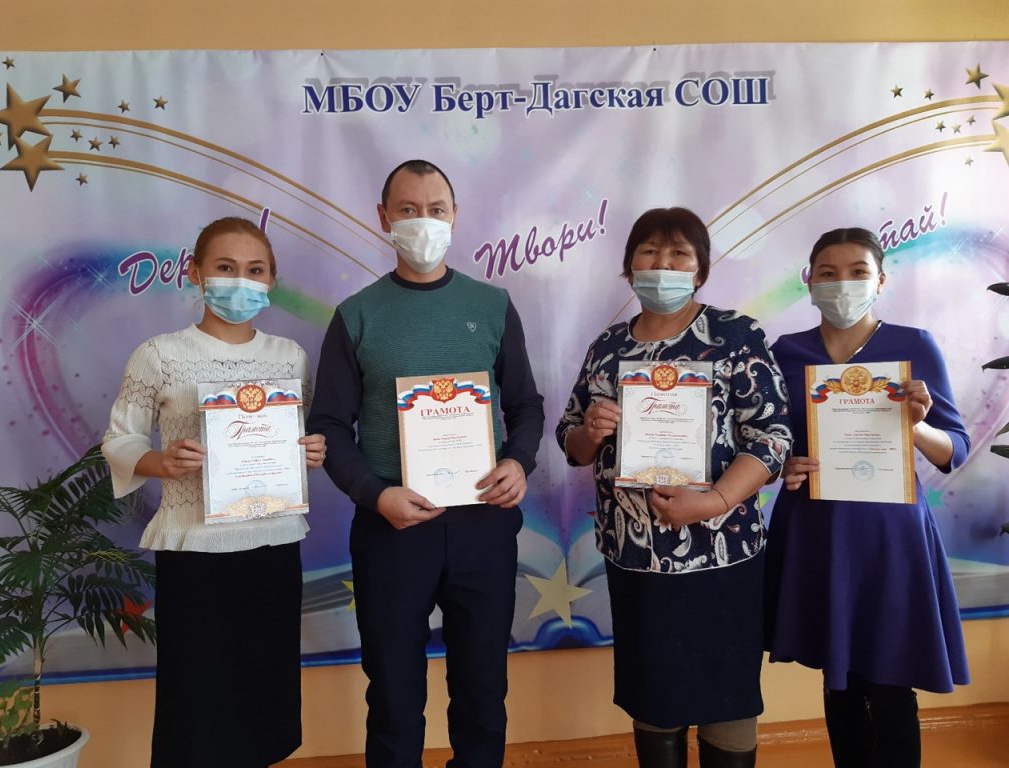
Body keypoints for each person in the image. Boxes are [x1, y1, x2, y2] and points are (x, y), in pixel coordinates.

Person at [307, 159, 544, 768]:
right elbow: (328, 426)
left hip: (483, 523)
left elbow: (525, 406)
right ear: (383, 217)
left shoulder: (493, 305)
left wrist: (519, 461)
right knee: (393, 694)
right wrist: (374, 494)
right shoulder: (356, 315)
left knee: (483, 690)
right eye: (408, 210)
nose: (423, 221)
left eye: (436, 209)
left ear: (455, 215)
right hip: (391, 527)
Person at [556, 208, 792, 768]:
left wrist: (713, 502)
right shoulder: (608, 346)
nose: (663, 265)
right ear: (629, 266)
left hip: (723, 552)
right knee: (653, 692)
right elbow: (571, 439)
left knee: (727, 694)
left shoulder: (735, 336)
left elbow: (772, 437)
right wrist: (590, 432)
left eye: (679, 254)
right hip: (635, 554)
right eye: (649, 252)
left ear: (700, 269)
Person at [102, 216, 326, 768]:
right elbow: (121, 440)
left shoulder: (290, 356)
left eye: (255, 269)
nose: (240, 280)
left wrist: (312, 451)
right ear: (196, 273)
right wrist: (161, 462)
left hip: (274, 544)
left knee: (265, 689)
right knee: (196, 697)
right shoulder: (159, 354)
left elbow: (297, 438)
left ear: (271, 280)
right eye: (225, 267)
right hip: (195, 548)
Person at [764, 227, 970, 768]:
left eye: (858, 272)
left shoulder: (914, 345)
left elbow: (955, 449)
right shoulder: (786, 352)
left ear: (880, 280)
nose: (842, 284)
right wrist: (783, 464)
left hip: (890, 534)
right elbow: (765, 441)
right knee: (840, 680)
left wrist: (916, 426)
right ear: (809, 282)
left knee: (891, 677)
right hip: (817, 529)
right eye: (828, 273)